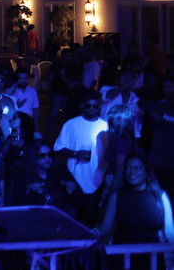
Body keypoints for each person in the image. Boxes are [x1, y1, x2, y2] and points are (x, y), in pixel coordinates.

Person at [96, 153, 174, 269]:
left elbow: (170, 232)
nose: (132, 172)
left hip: (152, 258)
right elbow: (106, 227)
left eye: (137, 168)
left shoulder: (159, 195)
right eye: (128, 168)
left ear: (146, 172)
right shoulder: (116, 196)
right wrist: (90, 233)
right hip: (121, 258)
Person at [54, 93, 108, 225]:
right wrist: (75, 154)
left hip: (96, 179)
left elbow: (108, 155)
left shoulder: (105, 126)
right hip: (74, 178)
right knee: (71, 219)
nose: (91, 109)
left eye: (95, 106)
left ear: (100, 107)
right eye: (88, 106)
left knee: (91, 219)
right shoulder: (71, 124)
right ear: (82, 106)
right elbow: (58, 148)